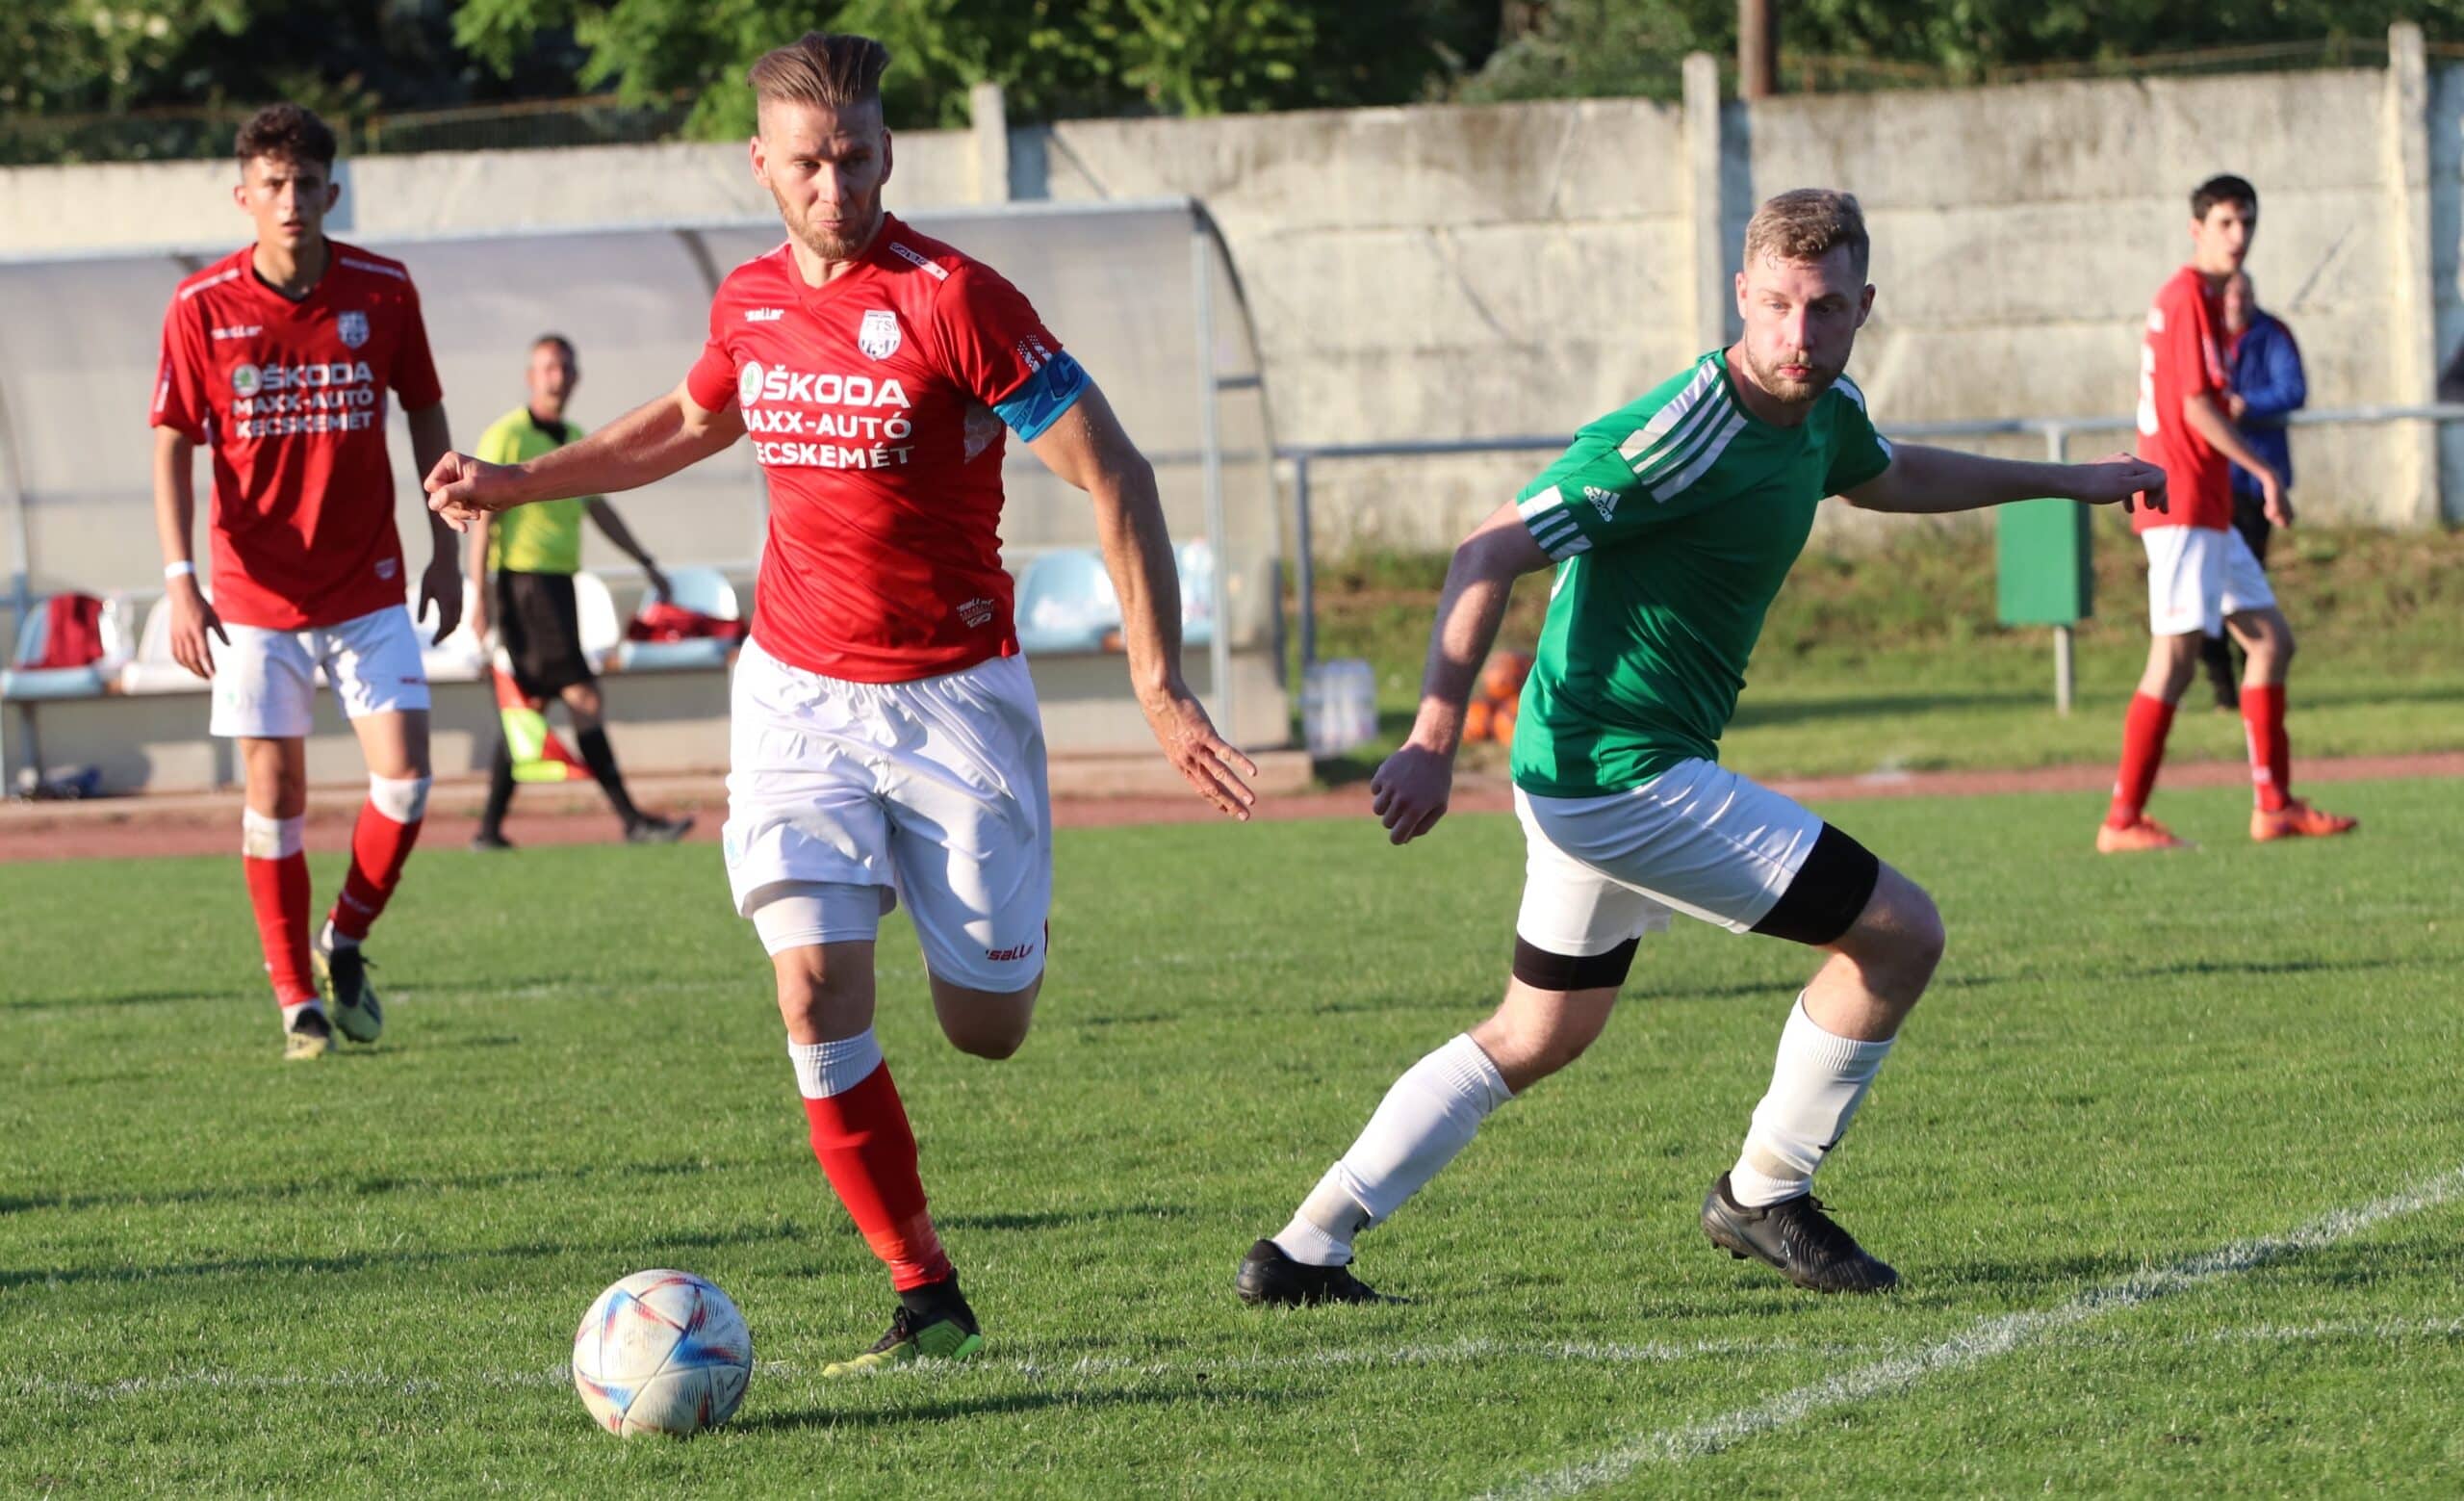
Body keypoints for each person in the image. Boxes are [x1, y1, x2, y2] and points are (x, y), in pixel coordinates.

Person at [424, 32, 1254, 1370]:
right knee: (812, 993)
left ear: (887, 154)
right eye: (809, 162)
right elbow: (687, 420)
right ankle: (926, 1291)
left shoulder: (958, 300)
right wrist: (516, 484)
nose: (836, 186)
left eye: (856, 158)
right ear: (762, 163)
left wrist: (1159, 688)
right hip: (797, 695)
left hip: (955, 700)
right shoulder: (750, 300)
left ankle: (995, 928)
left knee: (987, 1028)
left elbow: (1118, 474)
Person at [1234, 190, 2164, 1307]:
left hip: (1595, 771)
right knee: (1898, 932)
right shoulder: (1677, 433)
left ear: (1864, 306)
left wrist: (2068, 481)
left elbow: (1892, 473)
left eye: (1824, 308)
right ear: (1740, 295)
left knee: (1537, 1029)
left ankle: (1304, 1246)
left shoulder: (1824, 409)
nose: (1797, 333)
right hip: (1618, 773)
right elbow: (1486, 551)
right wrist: (1432, 738)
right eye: (1775, 304)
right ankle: (1766, 1190)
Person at [150, 103, 460, 1062]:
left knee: (406, 777)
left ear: (333, 191)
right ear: (243, 195)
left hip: (367, 580)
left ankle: (345, 935)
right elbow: (171, 442)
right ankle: (296, 1000)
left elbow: (425, 408)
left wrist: (448, 546)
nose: (291, 200)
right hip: (253, 594)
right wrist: (180, 580)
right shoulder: (201, 306)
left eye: (307, 184)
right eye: (273, 185)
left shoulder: (385, 289)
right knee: (275, 791)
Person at [2100, 176, 2354, 852]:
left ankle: (2274, 805)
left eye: (2247, 222)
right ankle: (2122, 819)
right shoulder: (2187, 295)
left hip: (2207, 504)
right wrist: (2265, 471)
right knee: (2175, 660)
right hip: (2182, 501)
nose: (2238, 236)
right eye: (2225, 223)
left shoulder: (2206, 299)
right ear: (2197, 229)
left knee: (2270, 642)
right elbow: (2196, 408)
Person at [465, 333, 693, 850]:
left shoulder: (573, 439)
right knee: (581, 696)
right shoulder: (506, 435)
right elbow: (481, 520)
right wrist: (478, 596)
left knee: (531, 705)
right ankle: (631, 820)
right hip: (525, 587)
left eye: (565, 368)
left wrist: (645, 562)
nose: (557, 377)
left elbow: (599, 508)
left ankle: (488, 830)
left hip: (558, 587)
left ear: (576, 377)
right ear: (531, 377)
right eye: (548, 368)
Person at [2196, 271, 2305, 710]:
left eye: (2244, 293)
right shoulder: (2202, 335)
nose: (2236, 301)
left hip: (2251, 486)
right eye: (2230, 293)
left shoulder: (2272, 333)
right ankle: (2222, 687)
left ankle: (2253, 683)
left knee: (2249, 587)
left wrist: (2248, 405)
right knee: (2206, 591)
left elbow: (2292, 388)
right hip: (2209, 483)